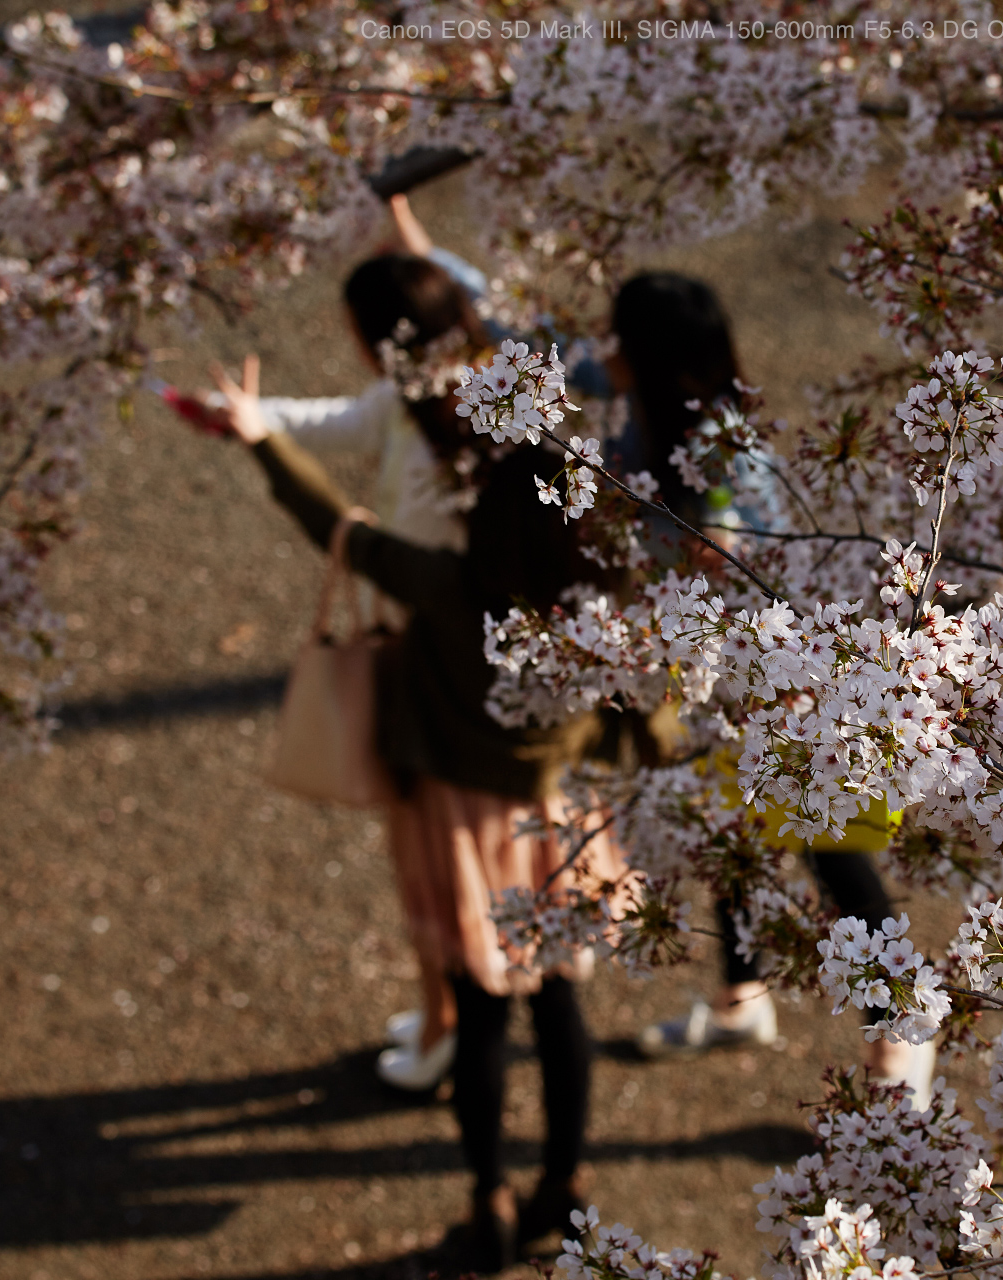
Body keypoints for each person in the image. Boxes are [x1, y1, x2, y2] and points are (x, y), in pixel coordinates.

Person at [210, 344, 634, 1267]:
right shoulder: (597, 615)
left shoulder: (448, 591)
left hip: (451, 824)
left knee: (479, 1013)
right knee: (560, 1011)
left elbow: (336, 527)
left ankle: (487, 1191)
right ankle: (563, 1186)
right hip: (548, 823)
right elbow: (651, 727)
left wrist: (261, 437)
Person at [605, 278, 937, 1109]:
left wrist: (708, 553)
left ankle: (902, 1030)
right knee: (731, 841)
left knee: (835, 858)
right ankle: (741, 1000)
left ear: (650, 358)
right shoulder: (644, 420)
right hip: (708, 686)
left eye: (617, 339)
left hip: (776, 684)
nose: (600, 352)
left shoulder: (719, 448)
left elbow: (746, 548)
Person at [245, 195, 496, 1094]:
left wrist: (266, 445)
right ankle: (445, 1010)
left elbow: (403, 562)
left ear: (383, 337)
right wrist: (252, 413)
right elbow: (346, 421)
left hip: (437, 666)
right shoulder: (440, 389)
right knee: (432, 856)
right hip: (435, 653)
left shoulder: (451, 439)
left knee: (429, 860)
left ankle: (445, 1023)